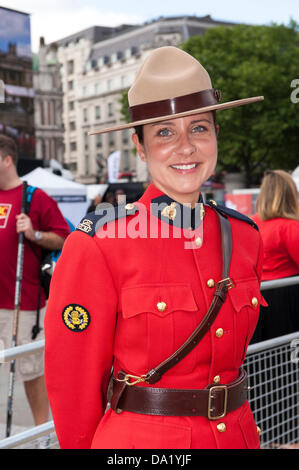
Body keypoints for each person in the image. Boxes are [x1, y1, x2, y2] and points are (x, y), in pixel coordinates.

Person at [45, 46, 266, 449]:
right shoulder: (100, 244)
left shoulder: (246, 235)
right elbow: (72, 384)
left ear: (217, 134)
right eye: (164, 132)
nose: (185, 147)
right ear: (140, 146)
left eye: (199, 127)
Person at [0, 134, 70, 428]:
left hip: (23, 305)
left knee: (30, 372)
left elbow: (65, 238)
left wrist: (34, 234)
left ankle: (41, 432)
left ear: (6, 160)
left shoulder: (34, 197)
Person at [251, 170, 299, 343]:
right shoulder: (290, 227)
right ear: (290, 194)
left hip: (257, 296)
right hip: (286, 298)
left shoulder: (251, 224)